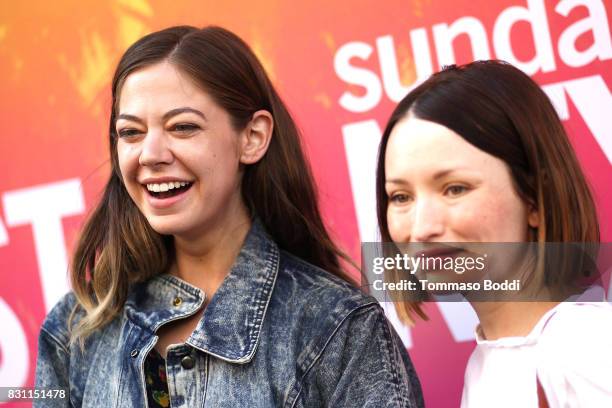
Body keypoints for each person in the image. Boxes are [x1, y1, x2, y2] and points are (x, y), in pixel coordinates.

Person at [35, 26, 424, 408]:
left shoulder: (340, 329)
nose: (150, 154)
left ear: (253, 137)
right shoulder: (73, 332)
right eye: (131, 133)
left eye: (183, 127)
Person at [375, 60, 612, 407]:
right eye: (400, 197)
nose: (423, 227)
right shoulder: (485, 366)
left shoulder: (583, 346)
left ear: (534, 198)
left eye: (455, 188)